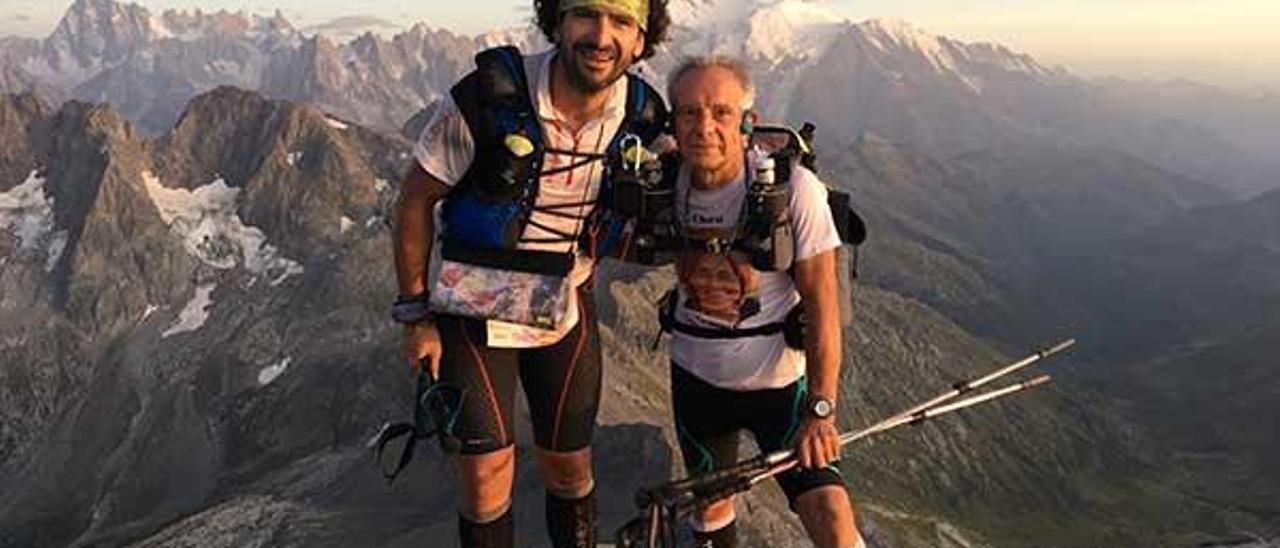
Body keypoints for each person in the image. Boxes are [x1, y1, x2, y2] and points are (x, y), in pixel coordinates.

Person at [389, 1, 671, 546]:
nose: (601, 35)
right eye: (587, 14)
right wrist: (414, 315)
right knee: (485, 477)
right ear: (559, 21)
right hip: (472, 309)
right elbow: (415, 199)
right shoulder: (487, 100)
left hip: (562, 308)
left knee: (569, 468)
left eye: (622, 22)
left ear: (640, 41)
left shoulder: (643, 118)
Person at [660, 55, 862, 548]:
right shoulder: (660, 183)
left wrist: (820, 410)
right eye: (688, 113)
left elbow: (822, 304)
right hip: (697, 380)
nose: (703, 127)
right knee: (711, 516)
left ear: (747, 120)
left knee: (832, 517)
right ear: (673, 121)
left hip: (781, 388)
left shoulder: (794, 190)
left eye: (721, 112)